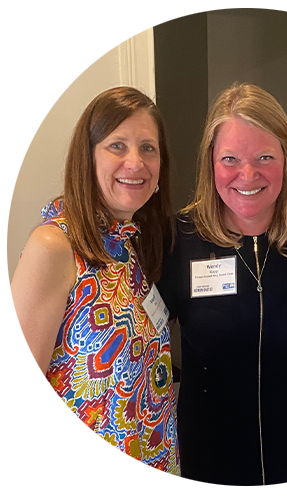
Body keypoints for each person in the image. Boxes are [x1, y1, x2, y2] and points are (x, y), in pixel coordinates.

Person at [7, 87, 181, 486]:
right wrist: (30, 485)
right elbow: (22, 384)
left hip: (151, 470)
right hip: (88, 476)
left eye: (148, 148)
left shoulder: (129, 245)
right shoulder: (55, 246)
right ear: (87, 157)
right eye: (116, 145)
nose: (135, 162)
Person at [158, 83, 287, 485]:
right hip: (211, 453)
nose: (247, 175)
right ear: (210, 163)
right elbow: (141, 338)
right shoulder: (178, 238)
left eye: (265, 157)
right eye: (230, 158)